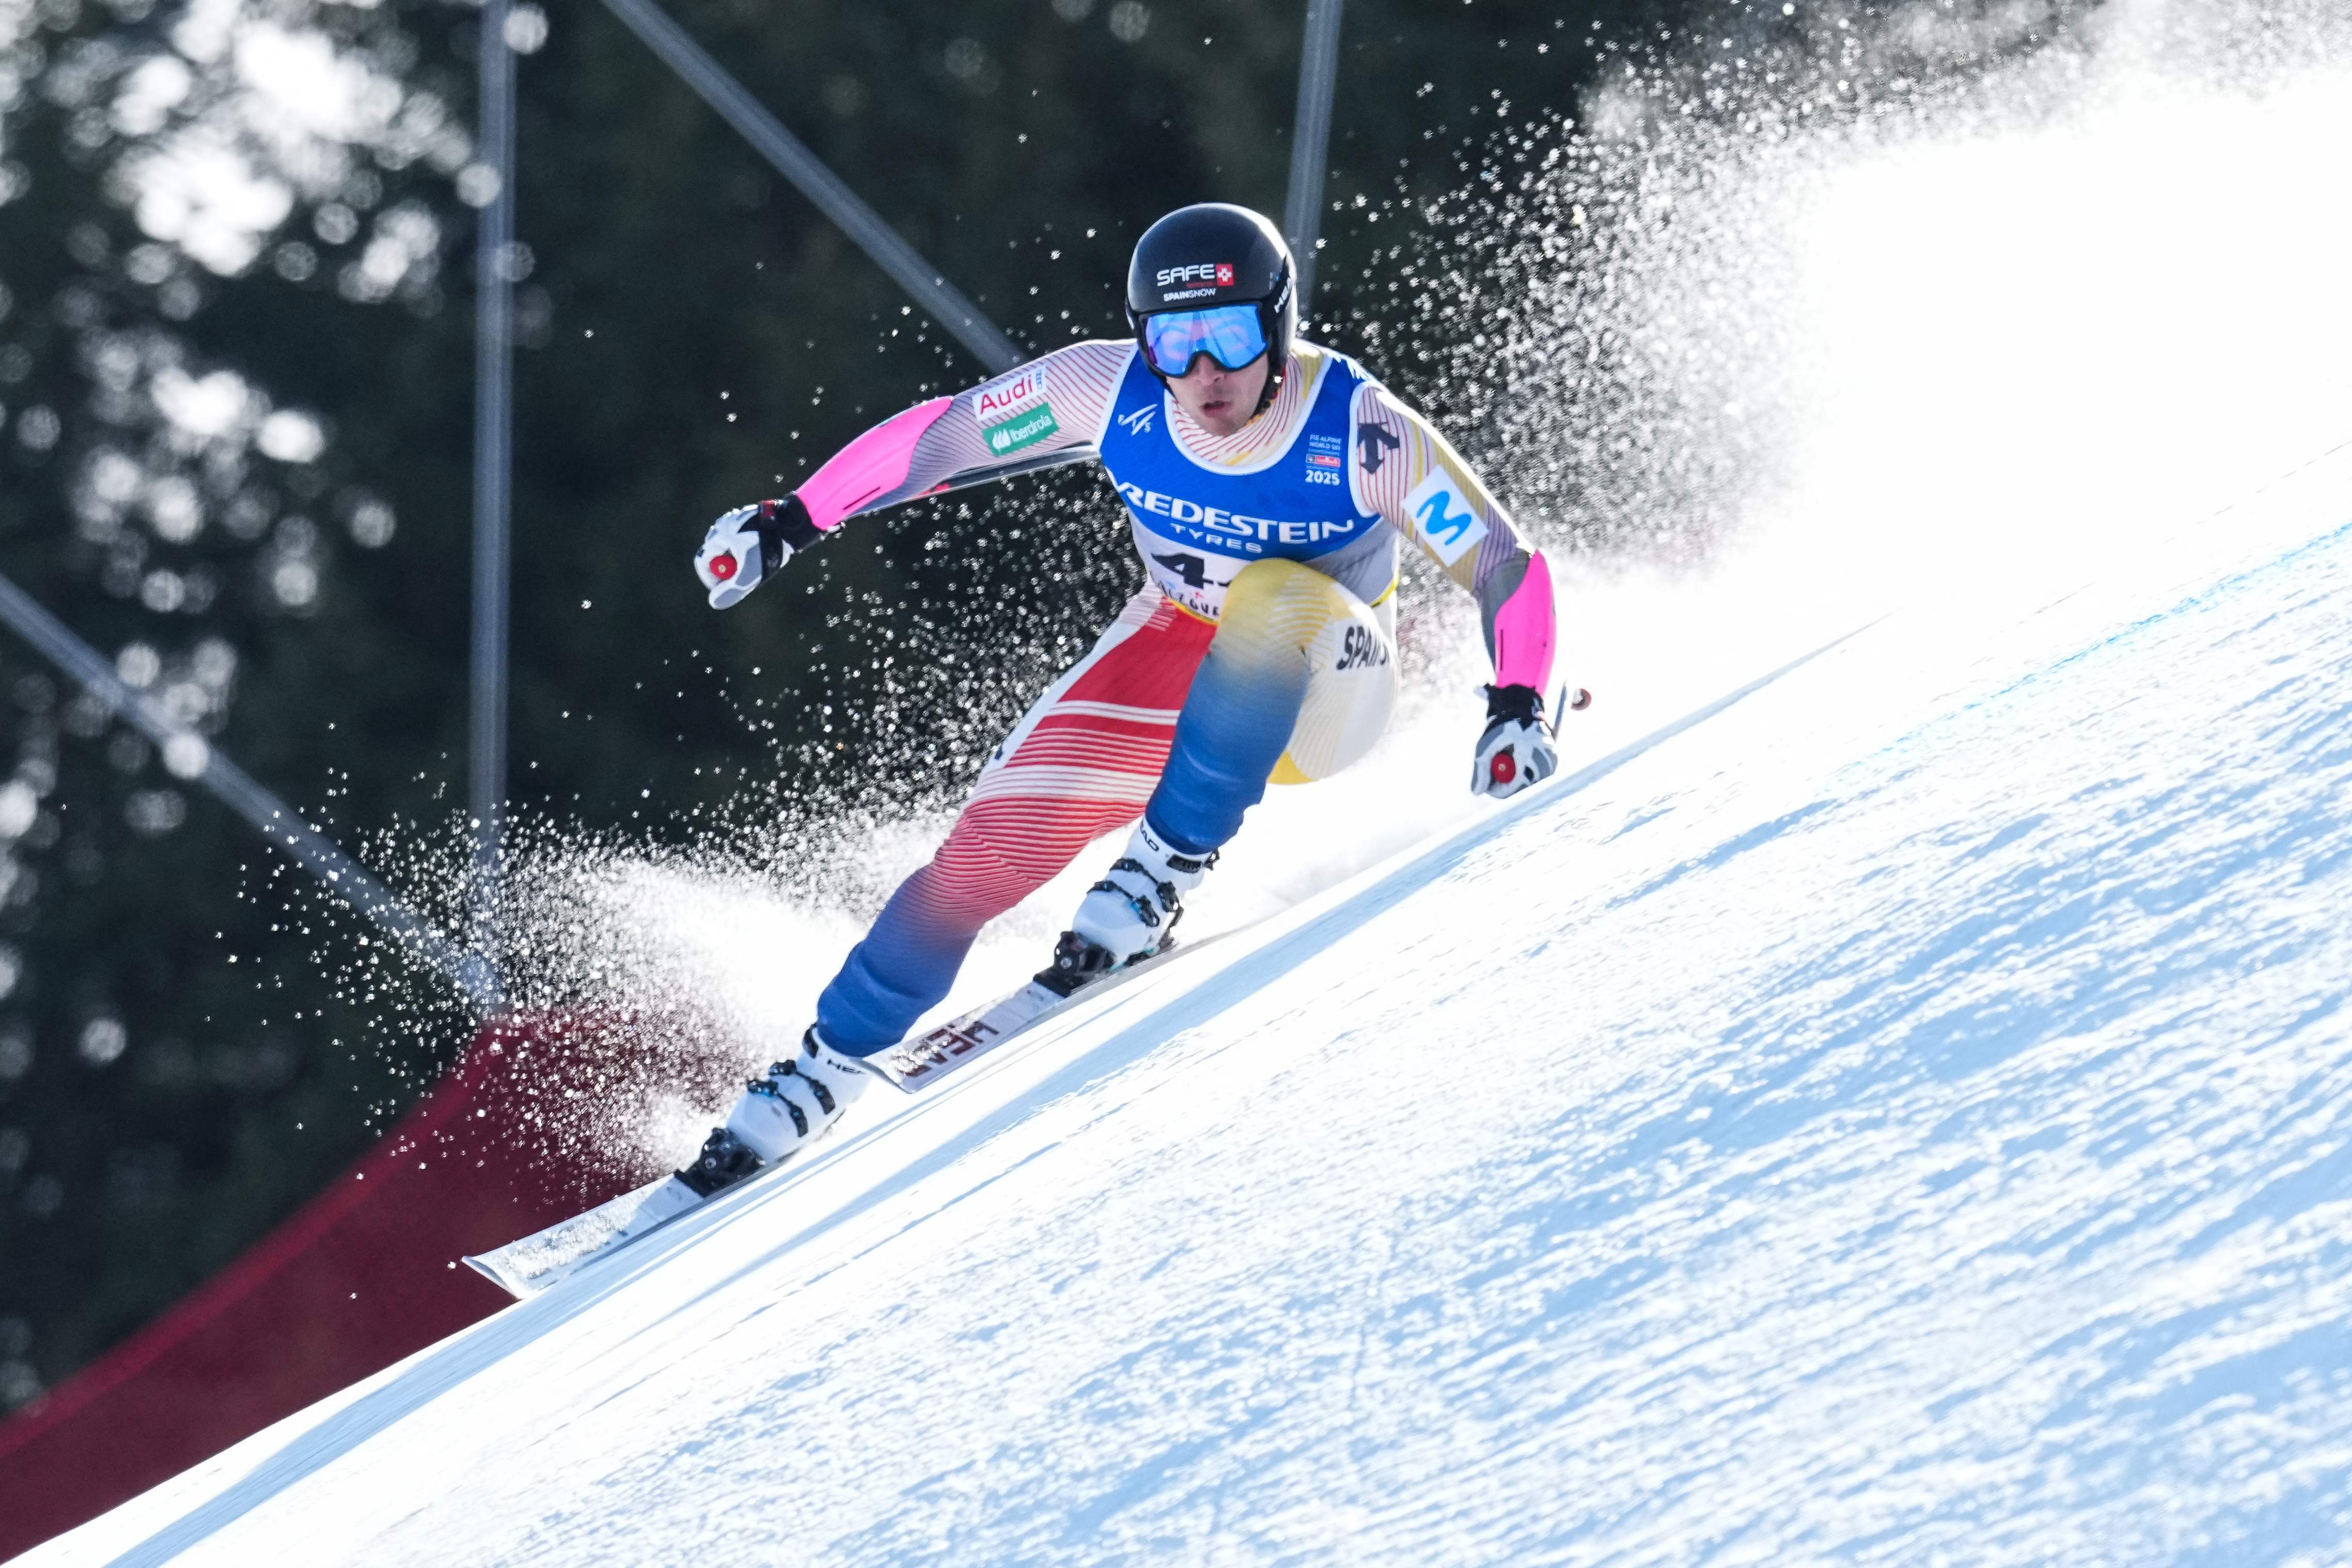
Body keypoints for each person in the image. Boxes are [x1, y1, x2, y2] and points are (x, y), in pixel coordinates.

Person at [676, 203, 1560, 1194]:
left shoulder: (1358, 430)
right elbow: (945, 439)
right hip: (1180, 637)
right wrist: (794, 518)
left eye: (1229, 337)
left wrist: (1519, 704)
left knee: (1269, 599)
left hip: (1327, 684)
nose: (1204, 375)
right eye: (1175, 343)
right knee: (984, 852)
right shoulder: (1106, 388)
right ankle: (822, 1068)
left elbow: (1501, 563)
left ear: (1278, 325)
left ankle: (1159, 874)